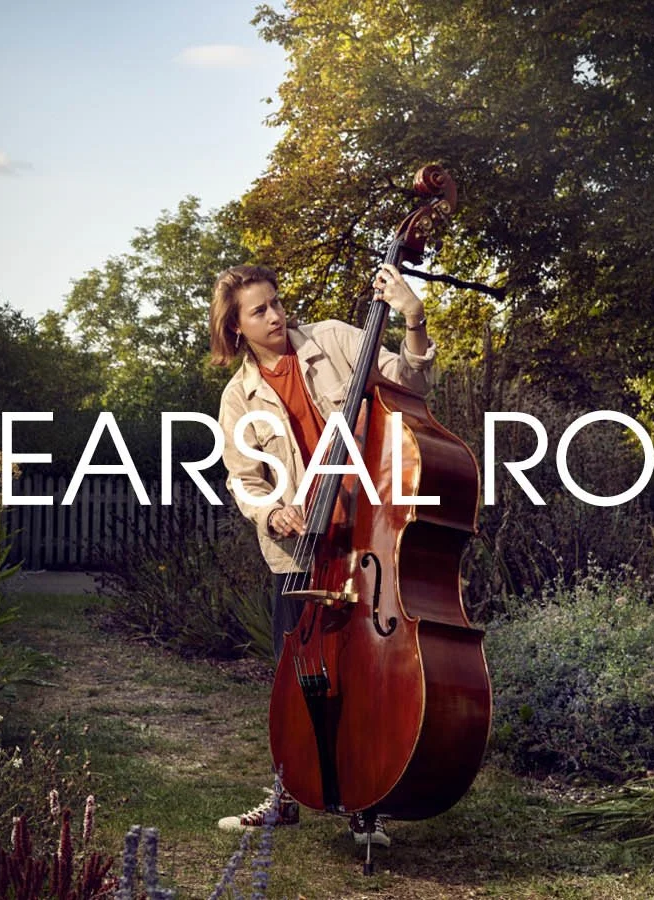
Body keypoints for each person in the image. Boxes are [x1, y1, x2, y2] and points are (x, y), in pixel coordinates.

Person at [208, 262, 434, 848]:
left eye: (276, 303)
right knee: (301, 676)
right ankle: (286, 795)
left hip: (367, 537)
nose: (276, 316)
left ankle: (368, 805)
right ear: (236, 329)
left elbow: (411, 384)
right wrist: (270, 511)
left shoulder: (333, 340)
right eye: (259, 311)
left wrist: (412, 317)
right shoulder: (239, 397)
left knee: (370, 675)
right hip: (300, 547)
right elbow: (244, 479)